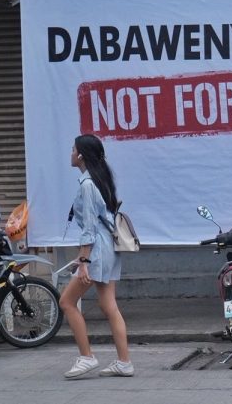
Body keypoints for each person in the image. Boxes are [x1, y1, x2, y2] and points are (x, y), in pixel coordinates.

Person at [59, 134, 134, 379]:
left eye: (73, 149)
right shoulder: (99, 179)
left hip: (98, 250)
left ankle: (86, 357)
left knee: (67, 302)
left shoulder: (88, 185)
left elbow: (90, 228)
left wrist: (83, 262)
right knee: (108, 304)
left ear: (80, 155)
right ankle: (124, 362)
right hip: (107, 249)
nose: (70, 153)